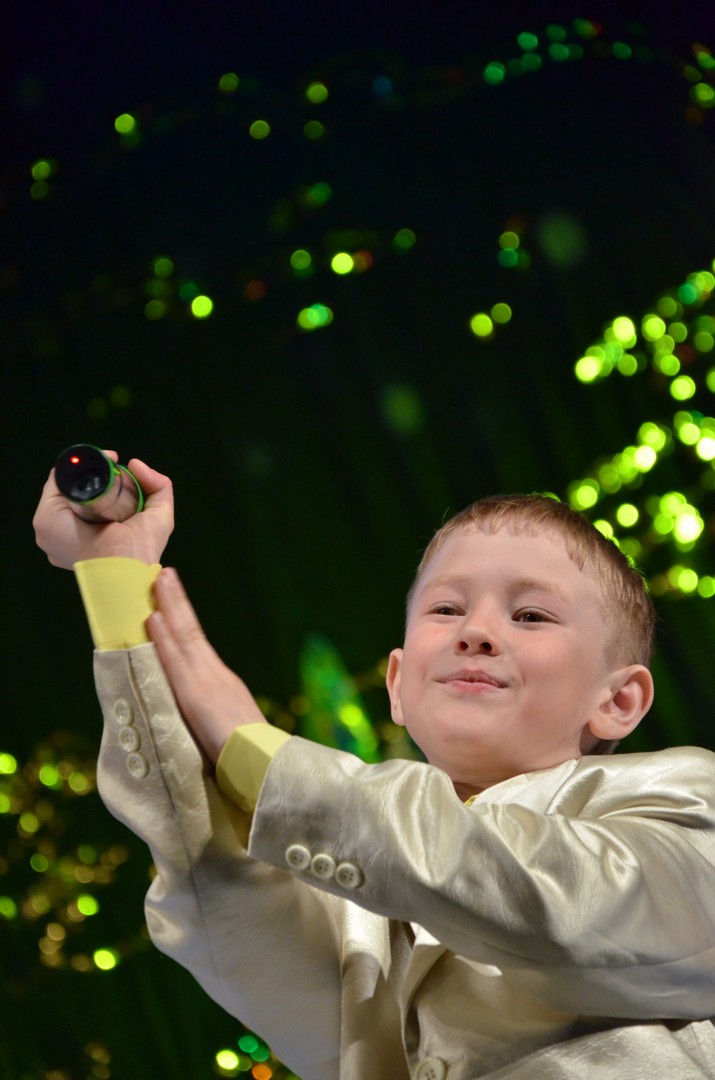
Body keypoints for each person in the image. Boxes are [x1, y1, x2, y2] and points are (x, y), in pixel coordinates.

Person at [33, 455, 715, 1080]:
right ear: (396, 685)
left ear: (618, 701)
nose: (475, 632)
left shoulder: (685, 799)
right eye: (446, 608)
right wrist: (118, 578)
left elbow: (557, 900)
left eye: (531, 614)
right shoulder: (351, 906)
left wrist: (263, 755)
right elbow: (212, 865)